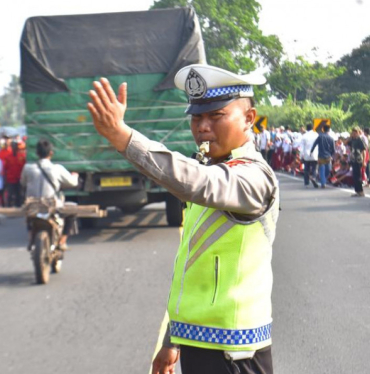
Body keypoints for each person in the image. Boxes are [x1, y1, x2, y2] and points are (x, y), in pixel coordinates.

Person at [86, 66, 280, 373]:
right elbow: (193, 273)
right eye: (196, 117)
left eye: (216, 116)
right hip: (198, 344)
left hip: (236, 353)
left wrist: (122, 136)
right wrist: (171, 340)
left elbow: (198, 181)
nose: (203, 127)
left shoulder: (254, 176)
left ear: (249, 118)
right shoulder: (215, 167)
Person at [21, 139, 79, 249]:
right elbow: (73, 182)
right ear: (51, 153)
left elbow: (23, 182)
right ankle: (62, 241)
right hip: (52, 205)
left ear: (37, 153)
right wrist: (75, 176)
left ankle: (30, 238)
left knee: (28, 215)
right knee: (73, 209)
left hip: (32, 205)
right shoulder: (57, 168)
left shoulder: (27, 168)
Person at [311, 123, 335, 188]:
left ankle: (323, 182)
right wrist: (332, 155)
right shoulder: (331, 138)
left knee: (322, 169)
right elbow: (333, 149)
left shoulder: (320, 136)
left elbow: (314, 144)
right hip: (328, 156)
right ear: (329, 130)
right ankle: (323, 181)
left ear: (323, 130)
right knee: (328, 170)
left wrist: (311, 151)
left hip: (321, 156)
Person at [4, 141, 27, 207]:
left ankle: (19, 206)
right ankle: (9, 207)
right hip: (11, 179)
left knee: (19, 194)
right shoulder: (8, 157)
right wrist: (5, 179)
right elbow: (5, 169)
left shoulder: (22, 157)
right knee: (10, 194)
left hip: (19, 179)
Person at [349, 126, 366, 197]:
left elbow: (364, 151)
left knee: (358, 176)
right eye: (353, 132)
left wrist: (364, 161)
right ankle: (357, 191)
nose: (354, 134)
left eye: (355, 132)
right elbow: (347, 144)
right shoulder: (352, 140)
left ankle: (361, 191)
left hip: (358, 159)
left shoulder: (360, 140)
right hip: (353, 159)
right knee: (355, 176)